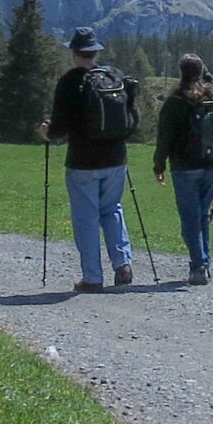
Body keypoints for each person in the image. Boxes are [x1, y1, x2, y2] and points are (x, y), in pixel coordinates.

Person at [44, 27, 135, 292]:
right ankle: (123, 263)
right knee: (112, 208)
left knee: (86, 216)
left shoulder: (70, 81)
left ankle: (93, 277)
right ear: (95, 52)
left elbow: (59, 129)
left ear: (74, 52)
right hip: (116, 158)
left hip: (83, 161)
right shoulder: (114, 76)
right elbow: (132, 117)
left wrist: (46, 131)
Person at [153, 54, 213, 286]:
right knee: (203, 216)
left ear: (180, 72)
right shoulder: (211, 97)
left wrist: (159, 164)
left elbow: (165, 137)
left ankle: (198, 266)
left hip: (185, 166)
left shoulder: (175, 100)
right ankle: (204, 262)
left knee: (190, 219)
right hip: (212, 164)